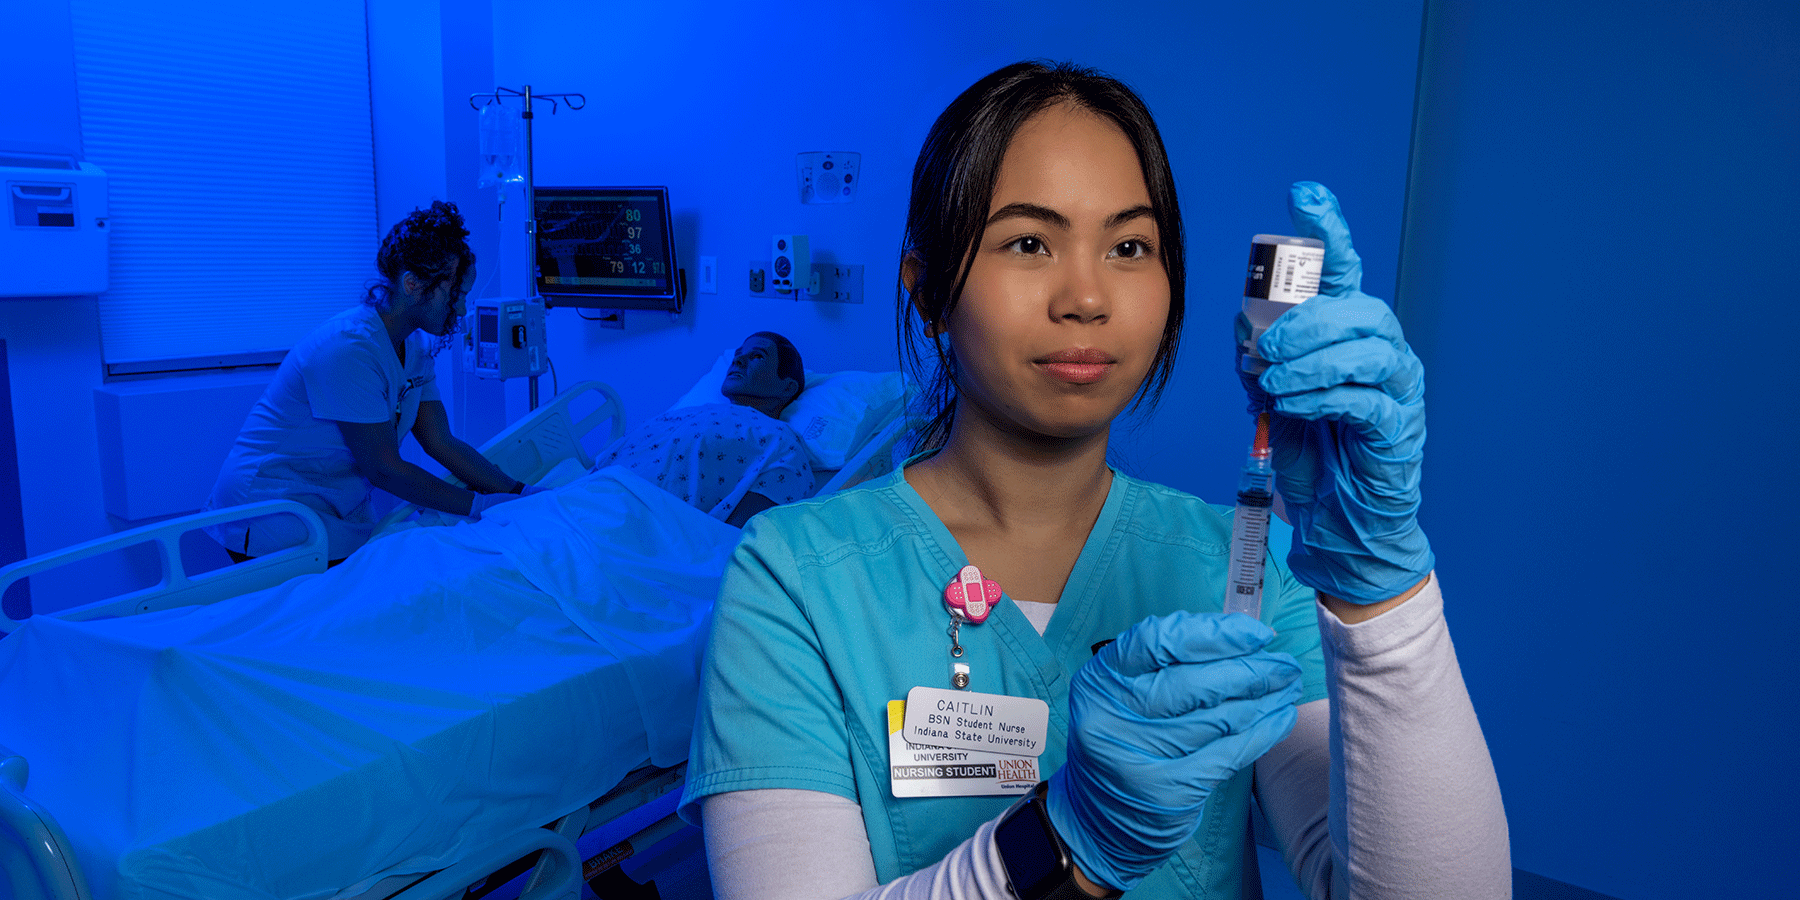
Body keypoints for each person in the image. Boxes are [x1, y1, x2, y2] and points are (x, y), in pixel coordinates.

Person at [680, 61, 1510, 899]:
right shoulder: (794, 577)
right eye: (1029, 242)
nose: (1087, 296)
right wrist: (1068, 839)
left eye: (1128, 246)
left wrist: (1381, 597)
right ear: (927, 291)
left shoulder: (1252, 569)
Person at [205, 201, 533, 564]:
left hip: (330, 505)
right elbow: (384, 469)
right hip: (273, 508)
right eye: (455, 294)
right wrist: (481, 505)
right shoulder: (347, 350)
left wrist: (519, 492)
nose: (459, 309)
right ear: (413, 284)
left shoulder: (415, 345)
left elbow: (442, 443)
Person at [590, 331, 814, 527]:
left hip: (633, 528)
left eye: (757, 356)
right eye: (737, 355)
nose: (738, 360)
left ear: (787, 387)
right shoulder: (685, 413)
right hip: (586, 500)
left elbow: (734, 541)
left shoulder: (781, 443)